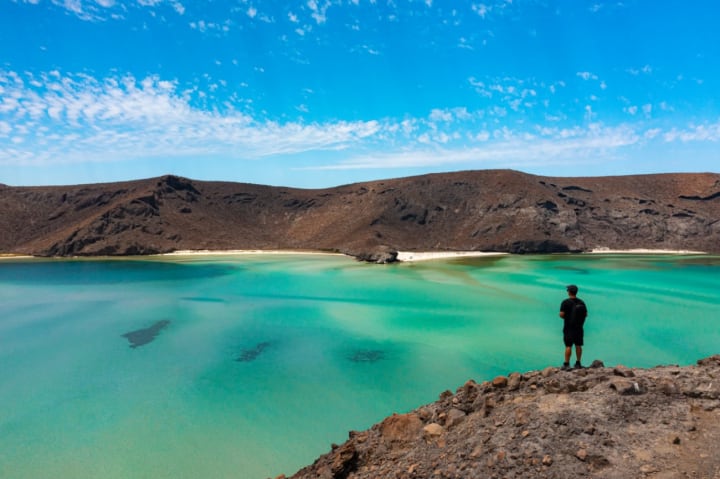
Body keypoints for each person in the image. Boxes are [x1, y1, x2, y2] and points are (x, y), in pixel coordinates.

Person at [559, 284, 587, 370]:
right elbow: (585, 314)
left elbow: (561, 314)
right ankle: (578, 363)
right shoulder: (581, 302)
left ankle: (566, 364)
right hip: (579, 327)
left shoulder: (565, 302)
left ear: (569, 292)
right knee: (578, 345)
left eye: (567, 290)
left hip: (569, 327)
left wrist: (567, 318)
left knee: (568, 346)